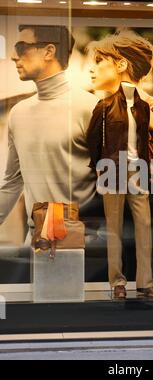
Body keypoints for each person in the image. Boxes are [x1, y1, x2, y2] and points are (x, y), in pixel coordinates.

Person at [87, 30, 153, 299]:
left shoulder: (143, 108)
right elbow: (93, 140)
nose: (94, 69)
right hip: (112, 170)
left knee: (143, 226)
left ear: (121, 65)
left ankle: (145, 283)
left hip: (137, 169)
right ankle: (117, 283)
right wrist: (100, 167)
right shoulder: (103, 106)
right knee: (113, 228)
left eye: (100, 61)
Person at [0, 25, 99, 234]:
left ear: (49, 51)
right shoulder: (18, 113)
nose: (13, 56)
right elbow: (12, 183)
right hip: (39, 241)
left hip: (85, 243)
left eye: (21, 46)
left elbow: (112, 185)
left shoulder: (90, 108)